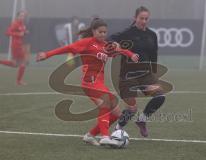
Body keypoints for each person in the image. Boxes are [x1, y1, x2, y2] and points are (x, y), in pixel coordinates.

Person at [36, 18, 139, 146]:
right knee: (105, 103)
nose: (102, 34)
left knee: (117, 113)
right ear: (93, 31)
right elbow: (68, 48)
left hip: (99, 82)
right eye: (100, 32)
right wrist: (47, 54)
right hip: (89, 82)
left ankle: (90, 136)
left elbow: (120, 50)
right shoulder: (87, 42)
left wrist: (131, 54)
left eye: (104, 32)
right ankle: (105, 136)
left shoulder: (106, 46)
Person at [110, 6, 168, 137]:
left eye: (146, 18)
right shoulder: (128, 33)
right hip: (128, 76)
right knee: (132, 108)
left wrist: (154, 72)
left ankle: (142, 120)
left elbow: (154, 54)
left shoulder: (152, 35)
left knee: (160, 96)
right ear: (135, 18)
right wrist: (115, 43)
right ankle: (118, 128)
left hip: (146, 75)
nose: (144, 21)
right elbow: (111, 37)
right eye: (141, 18)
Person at [0, 11, 29, 85]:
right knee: (23, 63)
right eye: (21, 16)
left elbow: (22, 31)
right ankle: (19, 81)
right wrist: (18, 34)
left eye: (23, 16)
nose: (22, 17)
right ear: (17, 16)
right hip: (16, 45)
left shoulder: (22, 24)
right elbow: (7, 32)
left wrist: (25, 32)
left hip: (19, 45)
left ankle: (18, 81)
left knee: (15, 64)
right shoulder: (15, 23)